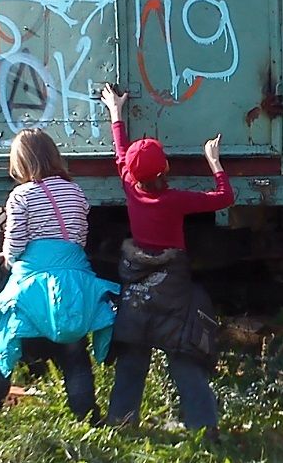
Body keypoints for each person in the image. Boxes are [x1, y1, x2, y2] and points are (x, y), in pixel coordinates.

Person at [0, 129, 119, 433]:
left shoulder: (22, 196)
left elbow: (15, 245)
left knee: (2, 342)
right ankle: (89, 420)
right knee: (74, 353)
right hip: (74, 282)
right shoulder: (76, 192)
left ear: (21, 161)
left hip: (32, 284)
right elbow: (79, 237)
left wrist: (7, 258)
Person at [100, 84, 233, 434]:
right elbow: (223, 197)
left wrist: (116, 112)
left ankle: (121, 423)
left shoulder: (130, 188)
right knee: (184, 355)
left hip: (137, 287)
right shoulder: (176, 201)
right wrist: (213, 161)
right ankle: (203, 429)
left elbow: (120, 153)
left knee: (132, 356)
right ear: (167, 169)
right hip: (173, 286)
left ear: (132, 172)